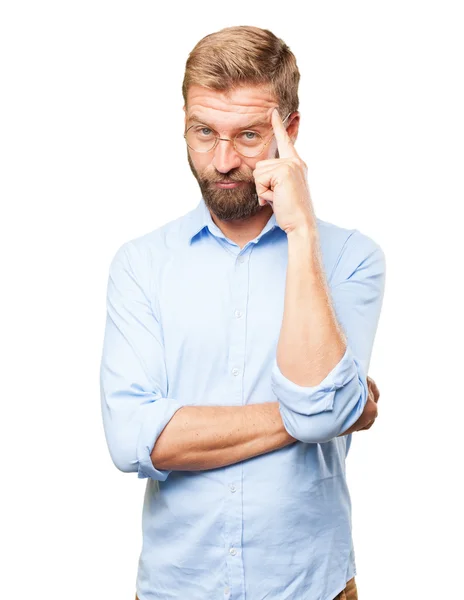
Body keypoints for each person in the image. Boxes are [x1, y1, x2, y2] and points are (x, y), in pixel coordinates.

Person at [100, 25, 386, 600]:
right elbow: (133, 438)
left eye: (249, 135)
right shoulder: (141, 265)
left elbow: (318, 407)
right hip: (176, 588)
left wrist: (300, 228)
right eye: (203, 132)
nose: (223, 161)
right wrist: (324, 413)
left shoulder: (352, 258)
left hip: (311, 588)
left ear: (291, 133)